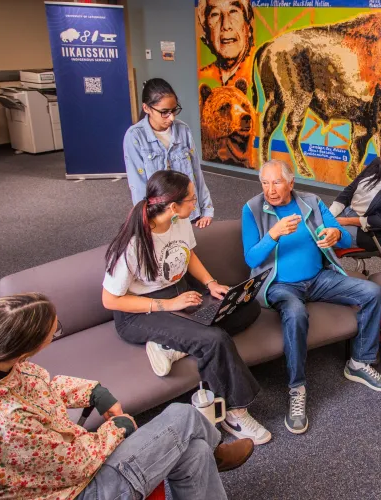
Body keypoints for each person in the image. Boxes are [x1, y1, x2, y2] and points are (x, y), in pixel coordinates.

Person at [0, 293, 255, 500]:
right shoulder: (6, 423)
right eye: (55, 332)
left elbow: (31, 386)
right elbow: (77, 464)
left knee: (191, 450)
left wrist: (92, 391)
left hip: (46, 471)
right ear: (24, 352)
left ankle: (209, 451)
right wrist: (117, 428)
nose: (57, 332)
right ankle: (215, 450)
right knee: (183, 418)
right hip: (77, 490)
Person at [102, 170, 271, 445]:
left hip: (178, 295)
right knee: (214, 340)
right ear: (172, 206)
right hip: (138, 314)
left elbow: (188, 253)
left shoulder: (179, 222)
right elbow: (110, 300)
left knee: (246, 306)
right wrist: (168, 304)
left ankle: (173, 347)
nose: (196, 204)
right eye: (192, 200)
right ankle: (234, 411)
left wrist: (211, 283)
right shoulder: (133, 243)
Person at [242, 159, 381, 435]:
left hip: (318, 278)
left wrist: (335, 233)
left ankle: (359, 361)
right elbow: (251, 258)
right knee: (296, 313)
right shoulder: (252, 209)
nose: (270, 189)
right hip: (280, 285)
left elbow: (346, 240)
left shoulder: (311, 202)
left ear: (290, 182)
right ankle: (297, 388)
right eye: (265, 182)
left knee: (371, 291)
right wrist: (273, 235)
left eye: (276, 182)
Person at [124, 78, 216, 229]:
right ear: (146, 108)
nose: (171, 117)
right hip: (159, 218)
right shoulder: (135, 136)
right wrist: (146, 221)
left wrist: (206, 209)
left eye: (174, 110)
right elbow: (138, 185)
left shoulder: (183, 130)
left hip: (188, 213)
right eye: (164, 112)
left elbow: (196, 173)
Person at [197, 0, 254, 87]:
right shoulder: (203, 77)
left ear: (248, 25)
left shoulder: (260, 72)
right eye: (215, 14)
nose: (226, 25)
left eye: (233, 11)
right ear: (207, 32)